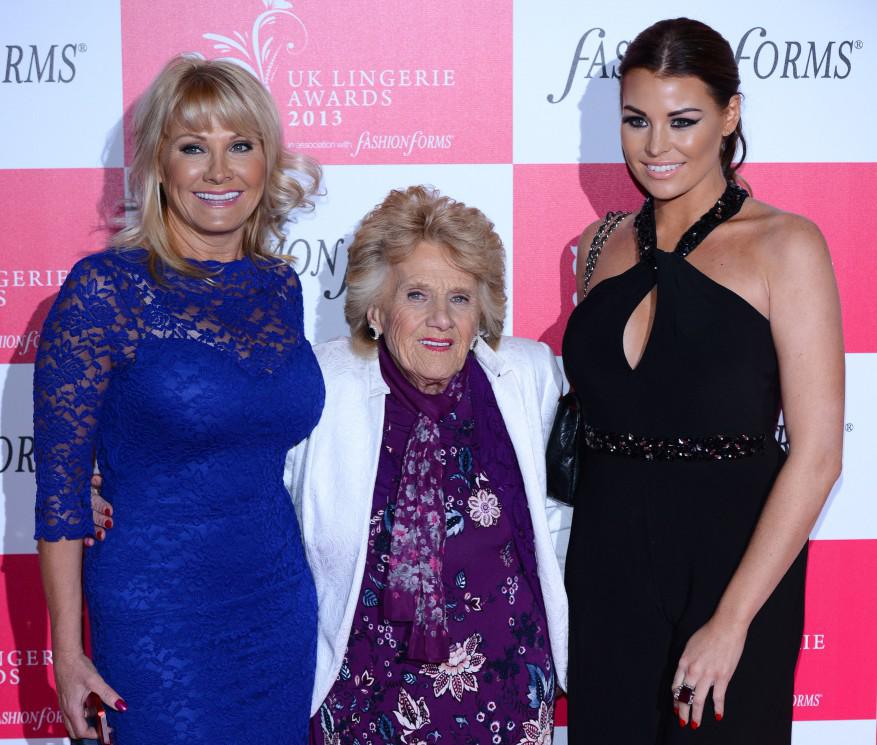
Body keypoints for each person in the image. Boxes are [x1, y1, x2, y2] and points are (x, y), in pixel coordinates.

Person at [560, 18, 844, 744]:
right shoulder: (595, 247)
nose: (656, 147)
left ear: (729, 114)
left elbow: (816, 454)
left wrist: (732, 619)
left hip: (729, 570)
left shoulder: (786, 245)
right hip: (605, 569)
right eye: (635, 120)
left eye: (681, 120)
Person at [33, 56, 324, 743]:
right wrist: (68, 657)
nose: (220, 171)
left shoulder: (280, 287)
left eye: (240, 146)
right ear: (160, 164)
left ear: (266, 161)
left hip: (276, 602)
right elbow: (59, 492)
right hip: (156, 616)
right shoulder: (104, 290)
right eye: (194, 147)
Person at [289, 185, 567, 743]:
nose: (441, 319)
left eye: (460, 299)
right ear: (375, 308)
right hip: (365, 692)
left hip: (506, 688)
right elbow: (236, 475)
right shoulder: (322, 384)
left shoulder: (527, 376)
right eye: (416, 295)